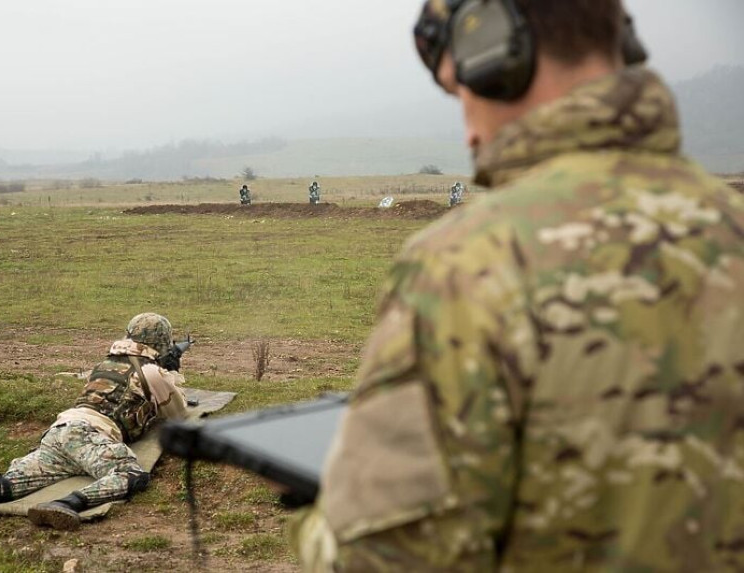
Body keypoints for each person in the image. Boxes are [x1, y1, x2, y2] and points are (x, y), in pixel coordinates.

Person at [291, 0, 744, 570]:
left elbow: (379, 560)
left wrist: (319, 521)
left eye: (462, 94)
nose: (468, 128)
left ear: (495, 53)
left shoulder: (469, 263)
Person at [0, 313, 188, 533]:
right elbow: (177, 414)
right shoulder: (152, 371)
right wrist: (171, 374)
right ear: (161, 342)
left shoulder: (105, 364)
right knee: (132, 475)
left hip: (60, 432)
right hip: (90, 435)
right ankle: (65, 504)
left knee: (7, 486)